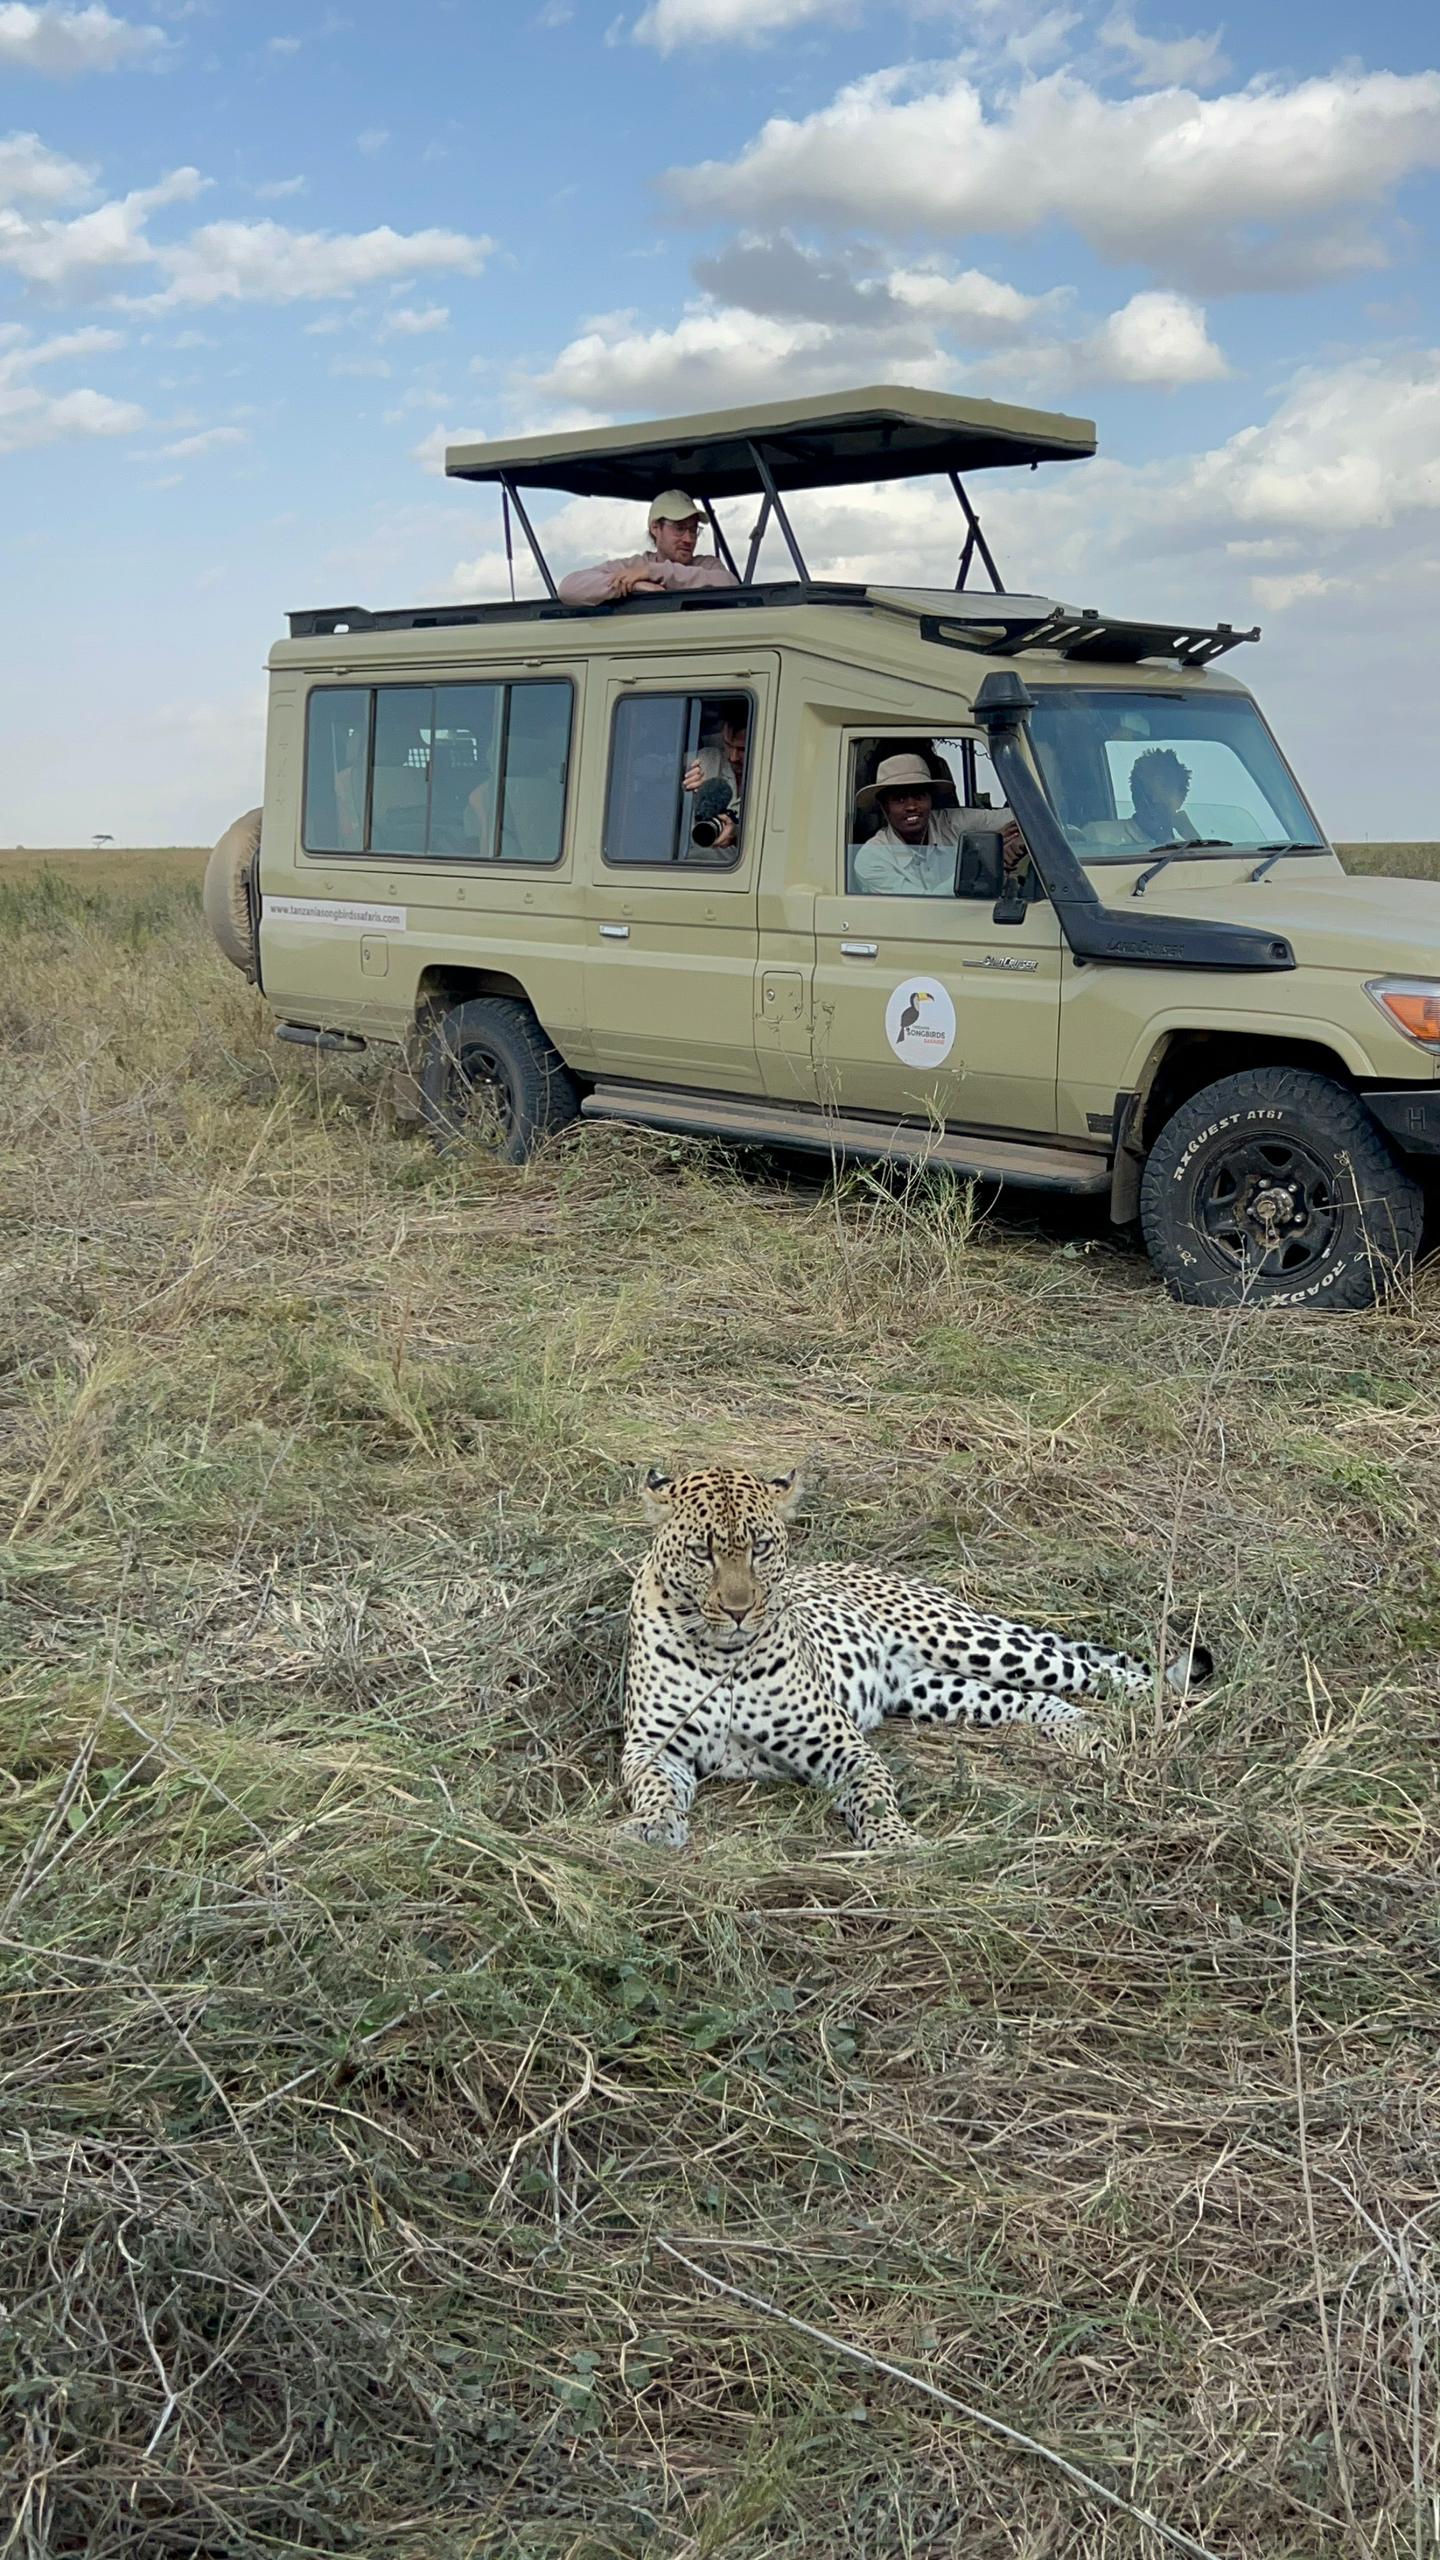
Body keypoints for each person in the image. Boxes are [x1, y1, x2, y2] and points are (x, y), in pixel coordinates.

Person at [851, 751, 1029, 897]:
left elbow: (1020, 818)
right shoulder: (872, 858)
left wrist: (1020, 839)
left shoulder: (949, 822)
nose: (911, 806)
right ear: (884, 807)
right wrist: (987, 859)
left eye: (919, 796)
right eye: (900, 799)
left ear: (931, 800)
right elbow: (923, 905)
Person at [557, 491, 739, 606]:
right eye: (680, 528)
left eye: (693, 530)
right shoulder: (633, 567)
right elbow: (568, 588)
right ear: (655, 528)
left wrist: (653, 572)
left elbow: (730, 584)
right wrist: (633, 585)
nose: (689, 539)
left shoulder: (706, 565)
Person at [682, 699, 748, 853]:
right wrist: (679, 783)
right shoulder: (705, 759)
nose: (733, 757)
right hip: (688, 861)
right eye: (728, 745)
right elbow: (642, 765)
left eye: (742, 749)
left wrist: (736, 836)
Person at [1125, 747, 1196, 848]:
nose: (1154, 800)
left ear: (1181, 799)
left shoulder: (1185, 849)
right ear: (1134, 796)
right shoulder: (1106, 838)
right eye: (1148, 793)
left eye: (1164, 793)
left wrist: (1192, 837)